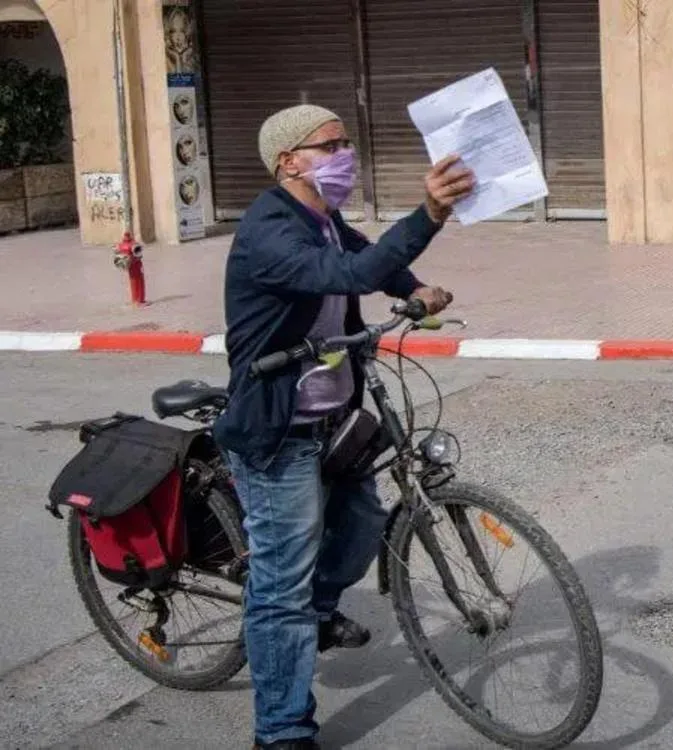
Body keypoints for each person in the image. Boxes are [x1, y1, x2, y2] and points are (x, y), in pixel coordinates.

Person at [212, 104, 474, 750]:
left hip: (334, 417)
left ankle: (317, 612)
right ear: (288, 162)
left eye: (345, 142)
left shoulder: (324, 220)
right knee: (281, 586)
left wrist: (416, 288)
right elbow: (349, 275)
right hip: (278, 429)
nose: (344, 155)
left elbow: (370, 260)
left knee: (360, 530)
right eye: (329, 146)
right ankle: (281, 729)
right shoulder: (269, 229)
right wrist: (430, 213)